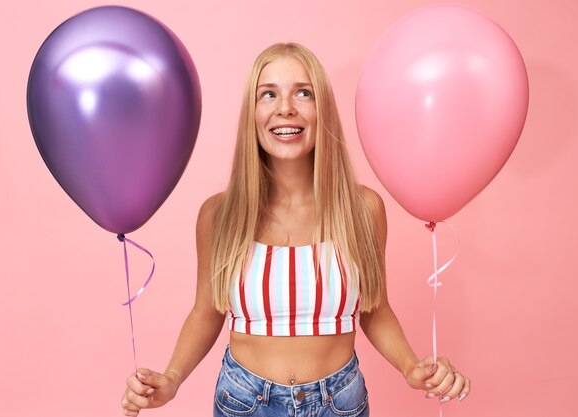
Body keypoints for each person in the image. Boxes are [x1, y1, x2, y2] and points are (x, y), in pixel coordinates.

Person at [121, 43, 470, 417]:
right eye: (268, 94)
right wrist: (172, 378)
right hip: (244, 401)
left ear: (323, 111)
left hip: (340, 402)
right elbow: (207, 311)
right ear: (252, 114)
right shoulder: (219, 215)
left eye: (303, 93)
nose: (285, 107)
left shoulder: (363, 209)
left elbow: (375, 308)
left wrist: (410, 366)